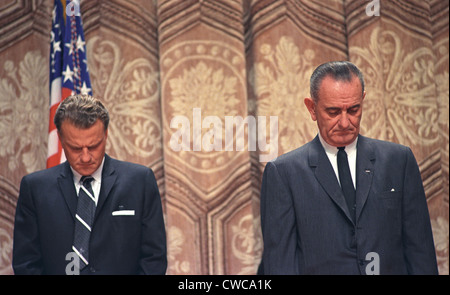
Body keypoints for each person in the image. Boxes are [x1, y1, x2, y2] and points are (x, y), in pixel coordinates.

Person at [259, 61, 438, 274]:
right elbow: (280, 264)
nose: (345, 122)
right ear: (312, 108)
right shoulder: (284, 174)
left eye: (353, 110)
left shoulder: (399, 161)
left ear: (363, 101)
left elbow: (421, 252)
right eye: (333, 112)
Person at [13, 94, 167, 275]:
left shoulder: (140, 182)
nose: (86, 157)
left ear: (106, 135)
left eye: (93, 146)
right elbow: (26, 264)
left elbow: (154, 259)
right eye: (76, 148)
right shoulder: (35, 189)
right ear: (61, 140)